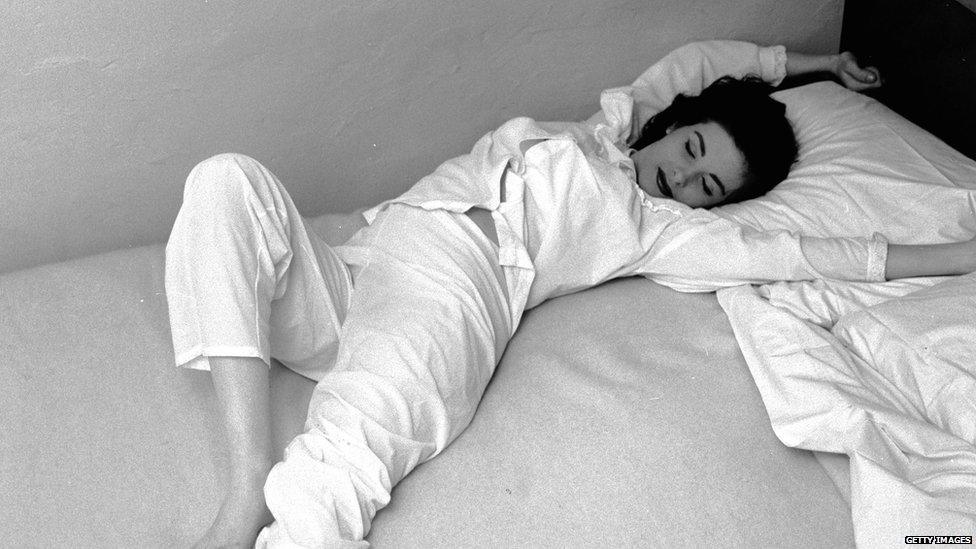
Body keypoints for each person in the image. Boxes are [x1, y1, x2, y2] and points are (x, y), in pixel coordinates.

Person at [164, 41, 976, 548]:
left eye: (707, 185)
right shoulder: (609, 123)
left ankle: (256, 516)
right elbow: (696, 63)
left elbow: (808, 251)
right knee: (226, 184)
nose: (684, 176)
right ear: (673, 123)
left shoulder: (662, 229)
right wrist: (813, 64)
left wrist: (960, 252)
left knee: (348, 454)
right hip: (366, 257)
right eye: (692, 147)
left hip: (461, 283)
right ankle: (248, 472)